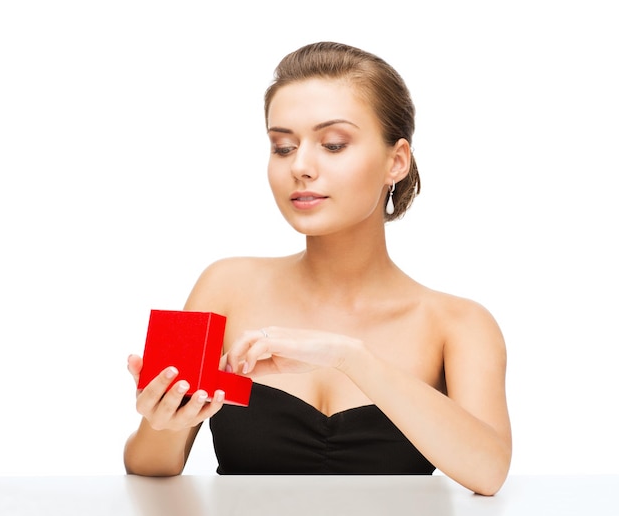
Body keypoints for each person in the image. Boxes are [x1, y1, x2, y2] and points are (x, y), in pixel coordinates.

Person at [124, 41, 512, 495]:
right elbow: (150, 467)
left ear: (396, 161)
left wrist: (349, 358)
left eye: (332, 144)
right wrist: (163, 418)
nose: (301, 167)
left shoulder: (459, 324)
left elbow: (489, 473)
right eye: (283, 147)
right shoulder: (224, 285)